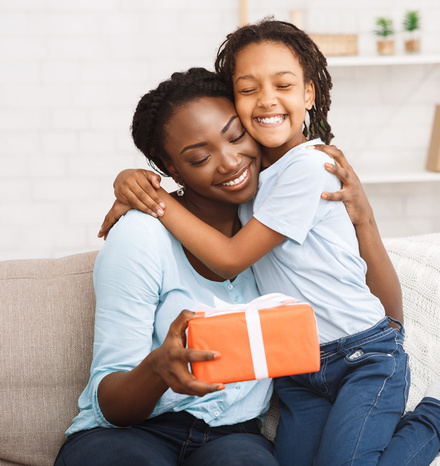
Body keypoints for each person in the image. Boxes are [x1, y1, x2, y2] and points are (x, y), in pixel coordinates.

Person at [104, 18, 440, 466]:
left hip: (362, 356)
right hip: (297, 368)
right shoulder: (252, 188)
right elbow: (203, 194)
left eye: (283, 84)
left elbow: (230, 260)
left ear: (309, 94)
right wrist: (133, 186)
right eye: (248, 89)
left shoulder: (309, 169)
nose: (267, 100)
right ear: (234, 102)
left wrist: (156, 198)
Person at [55, 67, 400, 466]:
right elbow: (111, 403)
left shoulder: (275, 225)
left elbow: (386, 318)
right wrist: (157, 370)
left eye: (236, 136)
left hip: (234, 437)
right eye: (200, 157)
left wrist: (364, 218)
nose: (230, 161)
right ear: (170, 169)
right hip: (132, 434)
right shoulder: (140, 236)